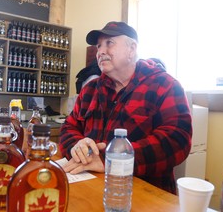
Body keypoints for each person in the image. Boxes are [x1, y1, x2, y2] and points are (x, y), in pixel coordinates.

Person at [59, 21, 192, 194]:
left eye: (109, 43)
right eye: (99, 46)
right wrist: (77, 147)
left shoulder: (165, 85)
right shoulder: (90, 90)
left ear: (132, 49)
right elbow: (69, 126)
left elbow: (177, 140)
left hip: (145, 196)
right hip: (90, 189)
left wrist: (113, 161)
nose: (100, 51)